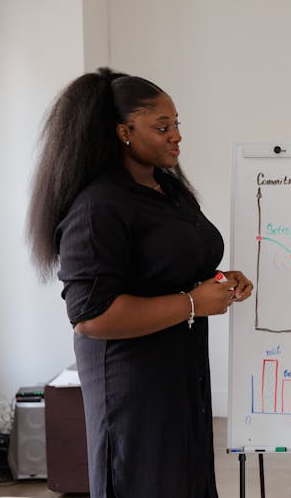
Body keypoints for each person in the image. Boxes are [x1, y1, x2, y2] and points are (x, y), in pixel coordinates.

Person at [27, 67, 253, 498]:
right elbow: (91, 316)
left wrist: (219, 281)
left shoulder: (168, 190)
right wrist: (192, 303)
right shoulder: (97, 208)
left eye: (177, 124)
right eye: (162, 126)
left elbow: (167, 267)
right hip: (133, 391)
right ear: (122, 132)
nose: (176, 137)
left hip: (182, 380)